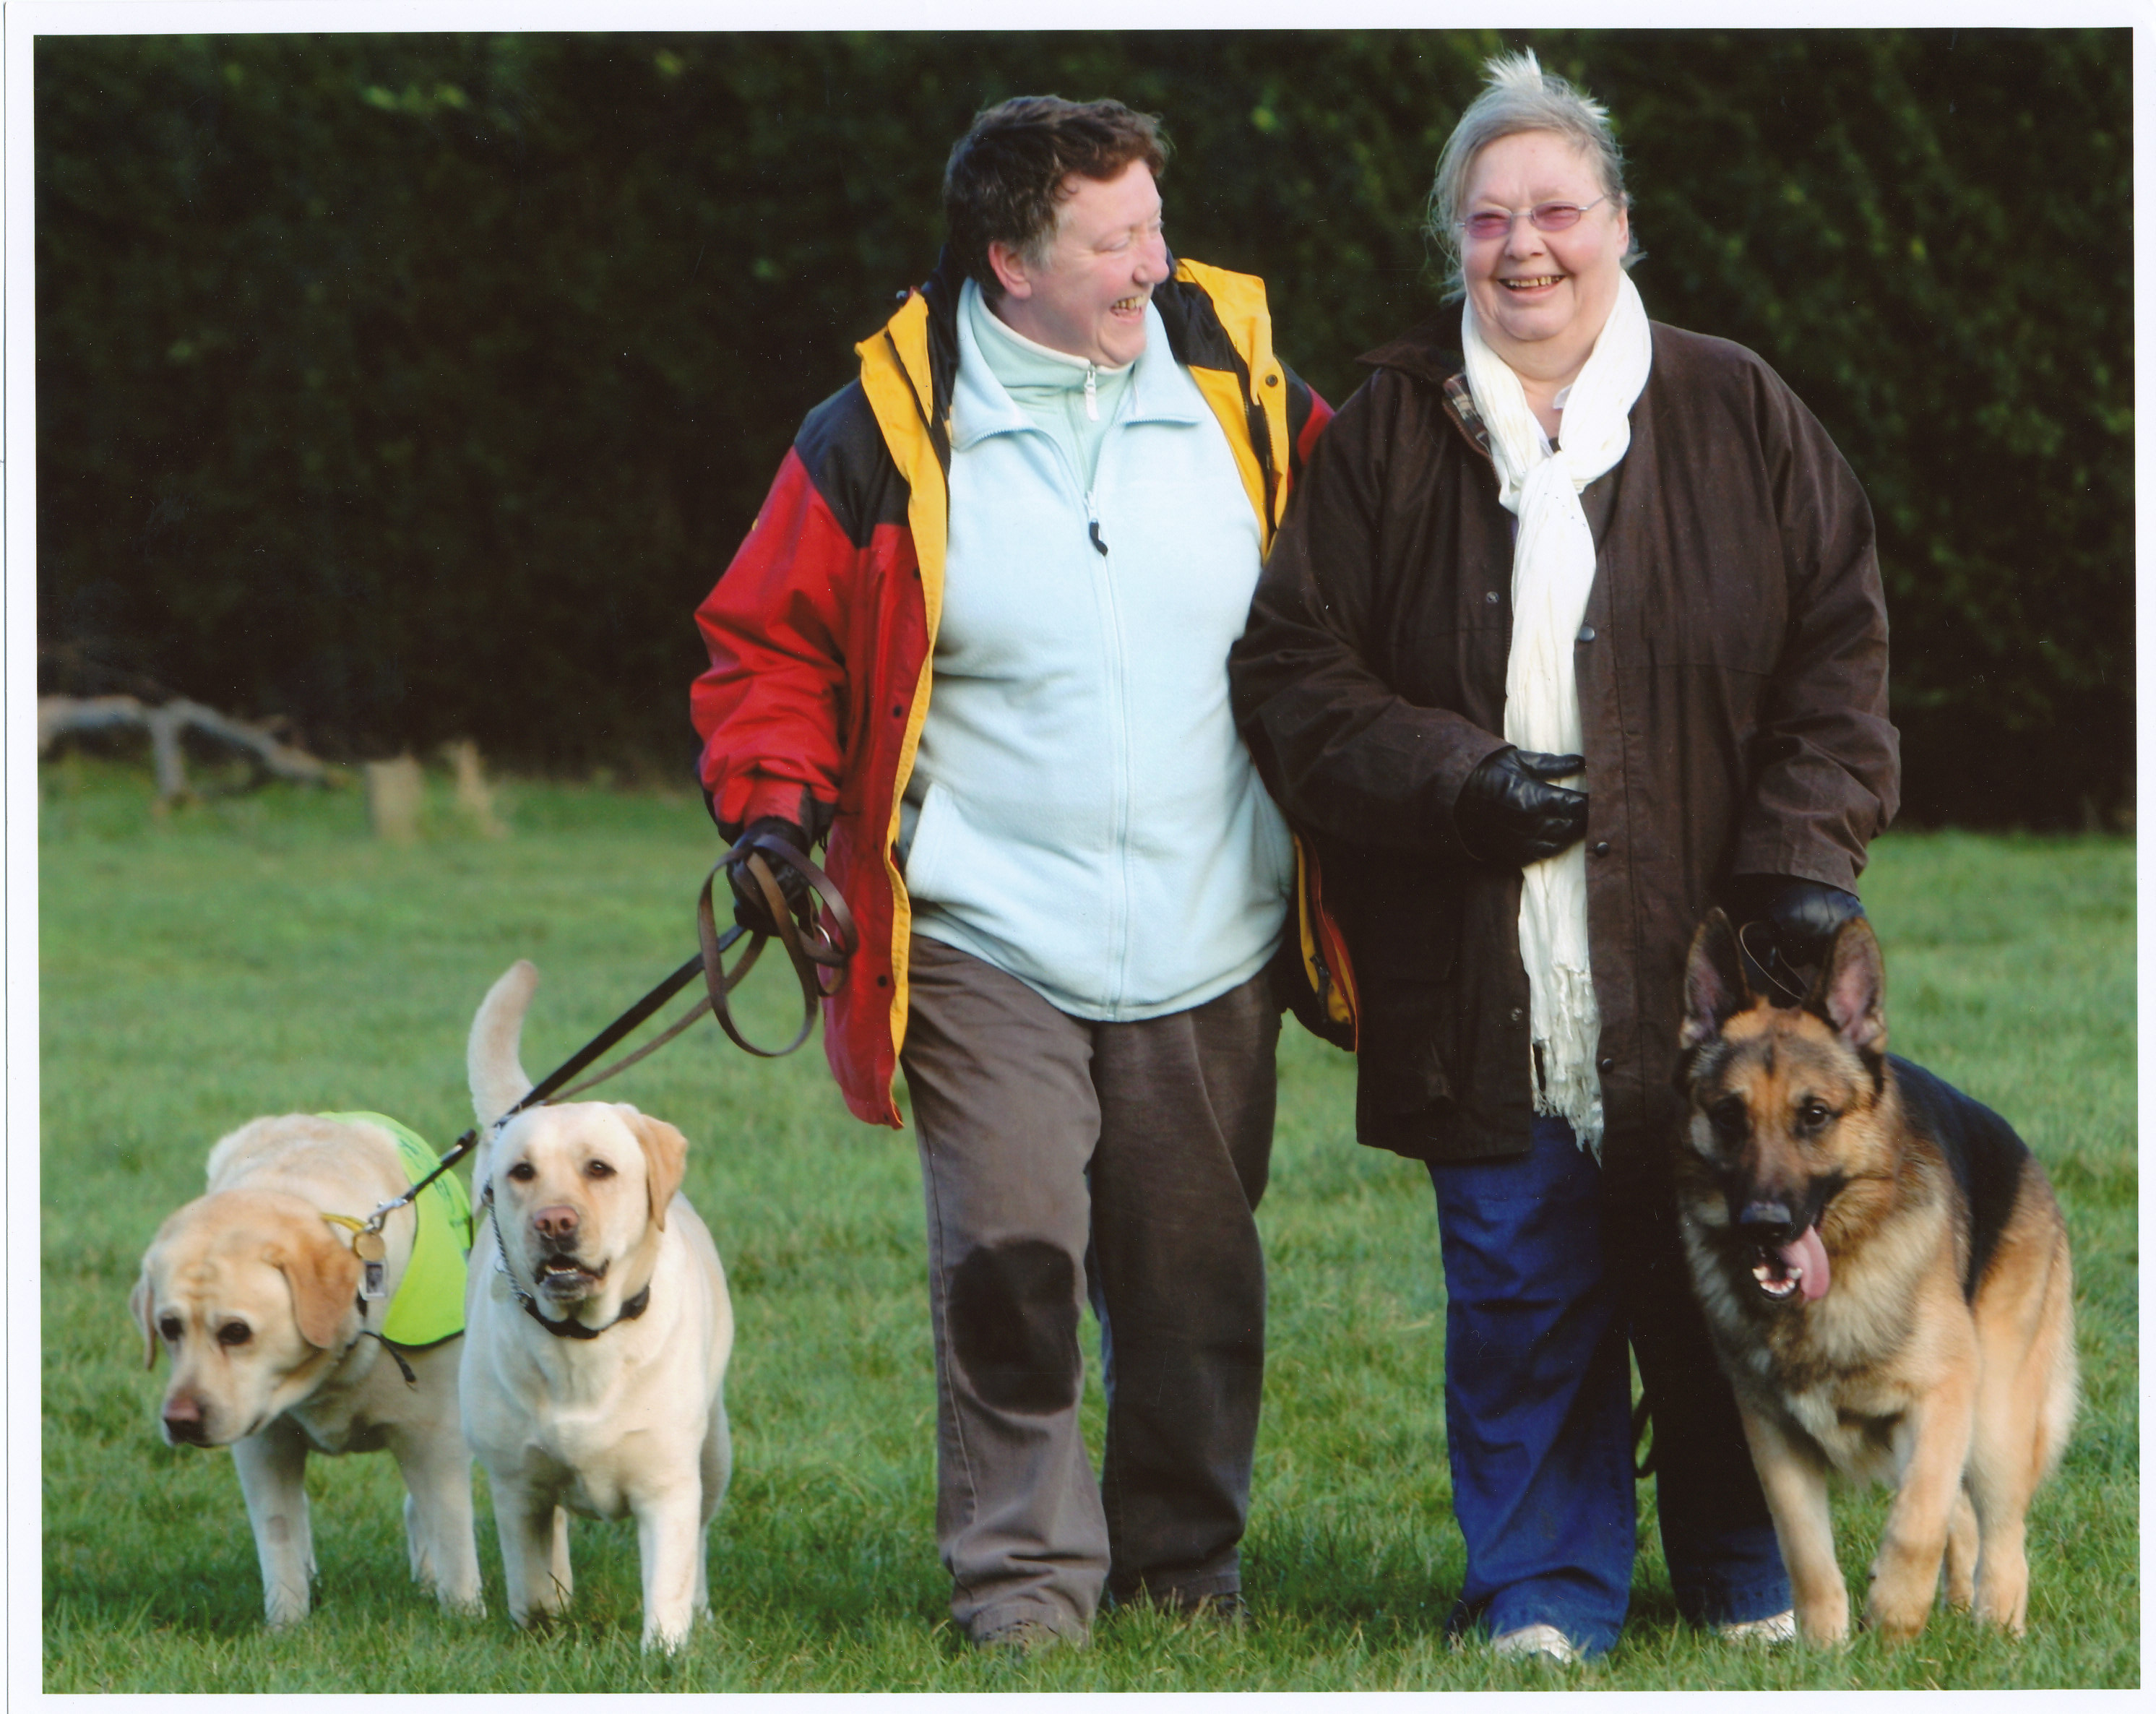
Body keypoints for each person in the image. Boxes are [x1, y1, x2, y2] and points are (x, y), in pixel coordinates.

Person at [1228, 50, 1898, 1663]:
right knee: (1520, 1279)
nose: (1523, 246)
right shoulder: (1389, 426)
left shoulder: (1739, 408)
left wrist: (1802, 850)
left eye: (1556, 211)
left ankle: (1745, 1570)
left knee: (1730, 1262)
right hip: (1480, 951)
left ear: (1620, 225)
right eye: (1487, 219)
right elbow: (1292, 673)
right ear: (1450, 240)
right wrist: (1458, 781)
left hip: (1713, 950)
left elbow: (1839, 652)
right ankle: (1541, 1590)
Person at [690, 95, 1329, 1653]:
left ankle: (1183, 1574)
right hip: (984, 929)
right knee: (1014, 1262)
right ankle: (1025, 1593)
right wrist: (773, 813)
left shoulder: (1247, 395)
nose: (1152, 264)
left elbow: (1387, 576)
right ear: (1010, 261)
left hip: (1213, 922)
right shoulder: (879, 433)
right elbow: (767, 646)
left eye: (1152, 226)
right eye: (1112, 242)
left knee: (1192, 1286)